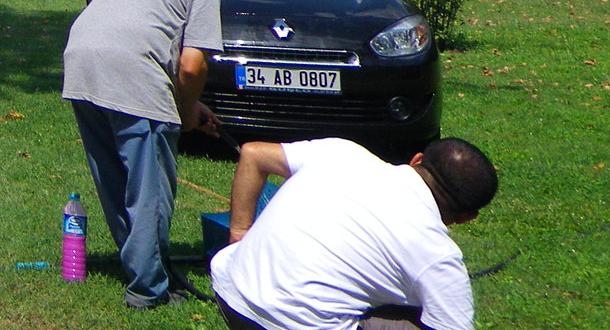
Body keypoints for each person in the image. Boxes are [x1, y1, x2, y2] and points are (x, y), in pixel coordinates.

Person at [62, 0, 233, 309]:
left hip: (82, 66)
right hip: (132, 74)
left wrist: (187, 105)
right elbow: (192, 67)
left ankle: (140, 266)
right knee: (148, 188)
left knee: (114, 181)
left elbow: (142, 32)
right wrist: (185, 109)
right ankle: (149, 290)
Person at [210, 136, 498, 330]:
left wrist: (239, 234)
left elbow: (253, 154)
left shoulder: (343, 152)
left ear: (416, 159)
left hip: (232, 293)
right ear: (467, 217)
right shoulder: (439, 257)